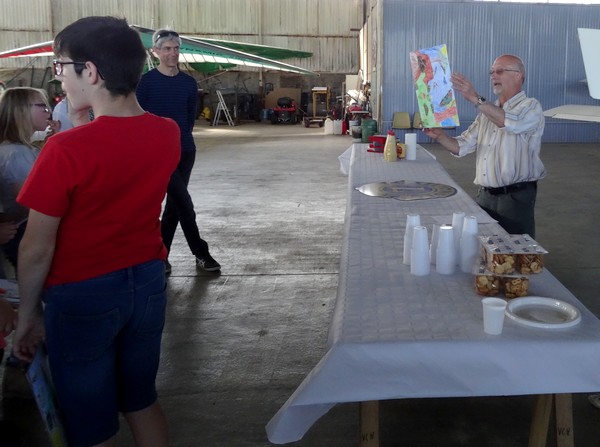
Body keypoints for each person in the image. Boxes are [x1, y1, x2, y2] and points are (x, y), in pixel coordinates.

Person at [12, 16, 180, 447]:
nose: (60, 78)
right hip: (146, 284)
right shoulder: (168, 133)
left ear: (90, 72)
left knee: (91, 422)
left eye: (61, 66)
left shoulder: (65, 149)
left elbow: (35, 248)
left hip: (83, 296)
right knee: (141, 401)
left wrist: (28, 316)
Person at [423, 54, 545, 238]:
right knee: (486, 251)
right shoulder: (486, 113)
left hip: (515, 198)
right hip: (485, 196)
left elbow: (510, 122)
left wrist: (475, 98)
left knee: (516, 255)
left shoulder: (531, 107)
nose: (493, 76)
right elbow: (461, 146)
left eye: (500, 71)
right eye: (491, 72)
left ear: (518, 75)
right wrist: (440, 136)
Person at [137, 28, 221, 275]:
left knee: (175, 204)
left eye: (176, 48)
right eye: (166, 49)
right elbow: (141, 118)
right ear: (156, 52)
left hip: (184, 150)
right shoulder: (145, 83)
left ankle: (162, 256)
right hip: (157, 154)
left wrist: (181, 139)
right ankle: (201, 252)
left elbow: (188, 118)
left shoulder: (188, 83)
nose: (172, 53)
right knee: (183, 201)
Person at [0, 87, 53, 269]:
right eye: (42, 107)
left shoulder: (22, 149)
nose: (49, 111)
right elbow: (30, 205)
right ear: (20, 110)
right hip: (24, 231)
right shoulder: (16, 153)